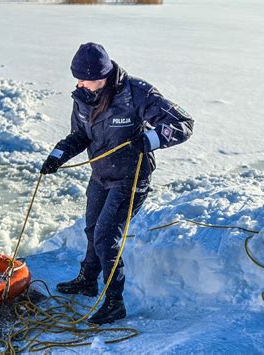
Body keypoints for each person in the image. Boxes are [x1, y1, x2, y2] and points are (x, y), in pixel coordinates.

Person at [40, 43, 194, 325]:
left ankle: (114, 303)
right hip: (101, 174)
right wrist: (58, 156)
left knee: (105, 236)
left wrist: (150, 139)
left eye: (84, 78)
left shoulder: (136, 92)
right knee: (91, 227)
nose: (79, 83)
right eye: (77, 78)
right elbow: (80, 135)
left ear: (103, 74)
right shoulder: (83, 96)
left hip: (131, 177)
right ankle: (88, 280)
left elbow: (183, 124)